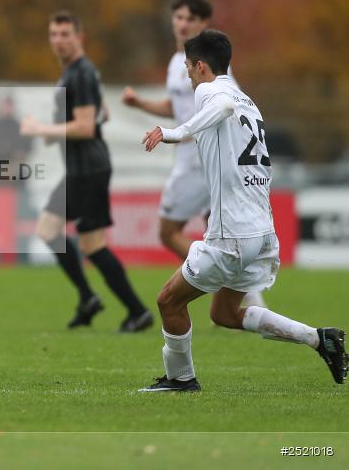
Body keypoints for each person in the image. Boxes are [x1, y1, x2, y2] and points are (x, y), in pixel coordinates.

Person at [139, 30, 347, 391]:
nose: (188, 76)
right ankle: (319, 338)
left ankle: (180, 379)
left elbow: (220, 108)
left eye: (188, 68)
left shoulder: (210, 92)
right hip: (261, 232)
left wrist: (172, 132)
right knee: (224, 313)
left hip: (231, 234)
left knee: (169, 301)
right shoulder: (248, 100)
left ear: (200, 66)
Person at [122, 0, 265, 308]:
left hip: (198, 163)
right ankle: (243, 292)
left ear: (203, 23)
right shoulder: (178, 64)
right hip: (195, 159)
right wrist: (140, 104)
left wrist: (182, 134)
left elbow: (227, 108)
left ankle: (223, 279)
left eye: (190, 18)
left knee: (168, 231)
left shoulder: (213, 73)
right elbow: (176, 107)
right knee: (215, 226)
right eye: (178, 17)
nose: (183, 24)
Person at [20, 11, 152, 332]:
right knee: (70, 236)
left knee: (74, 238)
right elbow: (102, 114)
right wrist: (56, 132)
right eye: (54, 34)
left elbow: (85, 127)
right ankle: (100, 301)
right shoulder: (79, 72)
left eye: (65, 34)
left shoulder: (80, 73)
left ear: (79, 37)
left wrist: (42, 129)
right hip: (84, 169)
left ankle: (127, 308)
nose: (58, 41)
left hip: (87, 170)